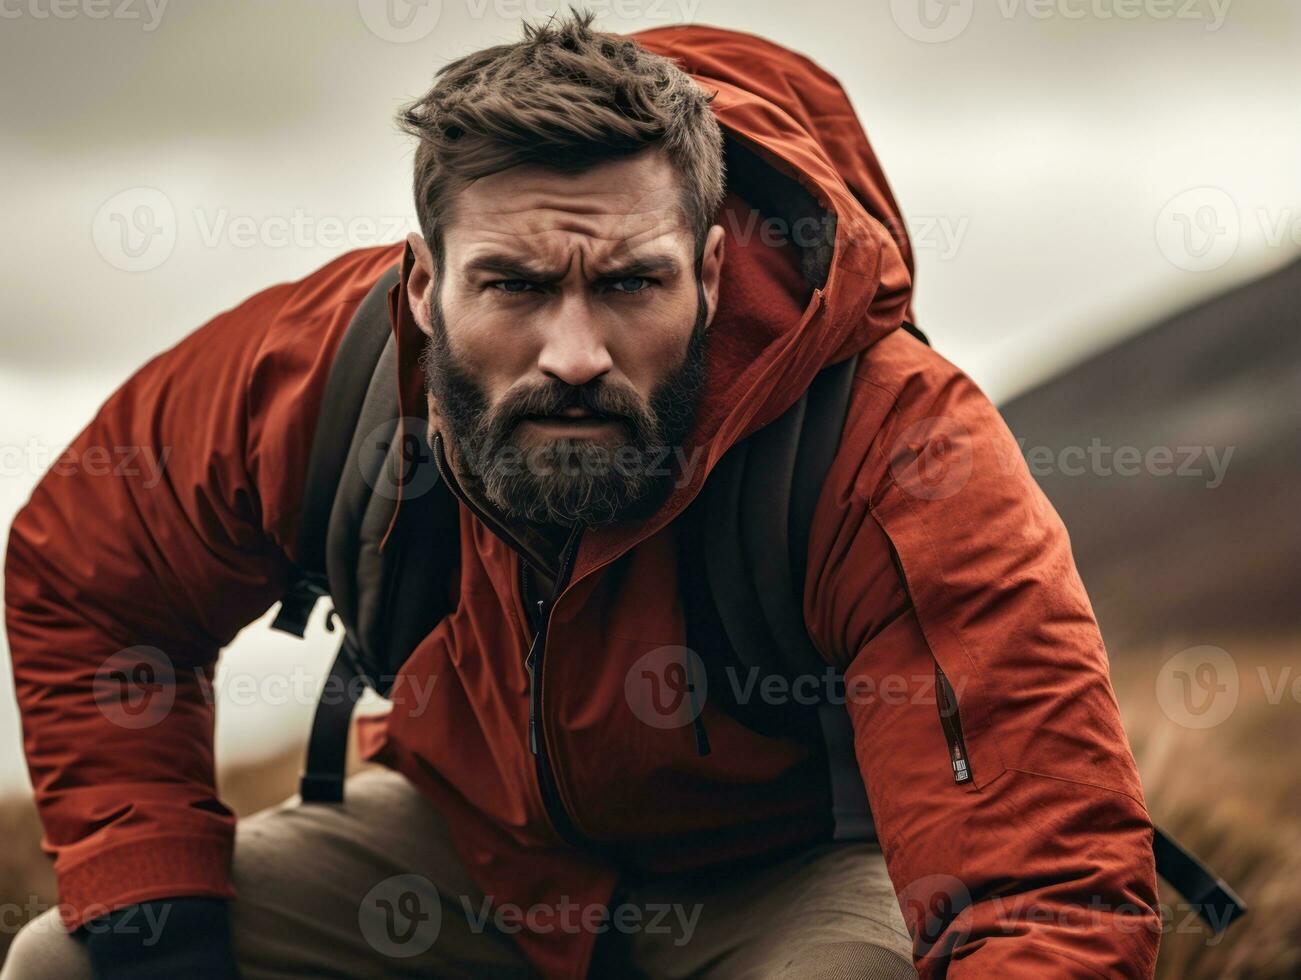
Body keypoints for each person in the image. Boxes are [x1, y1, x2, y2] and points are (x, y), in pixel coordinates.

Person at [3, 12, 1160, 979]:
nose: (571, 352)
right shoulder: (316, 375)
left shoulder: (894, 441)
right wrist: (153, 896)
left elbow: (1037, 883)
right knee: (73, 961)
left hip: (796, 873)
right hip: (477, 853)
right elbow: (87, 572)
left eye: (628, 283)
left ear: (707, 272)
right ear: (421, 283)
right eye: (510, 283)